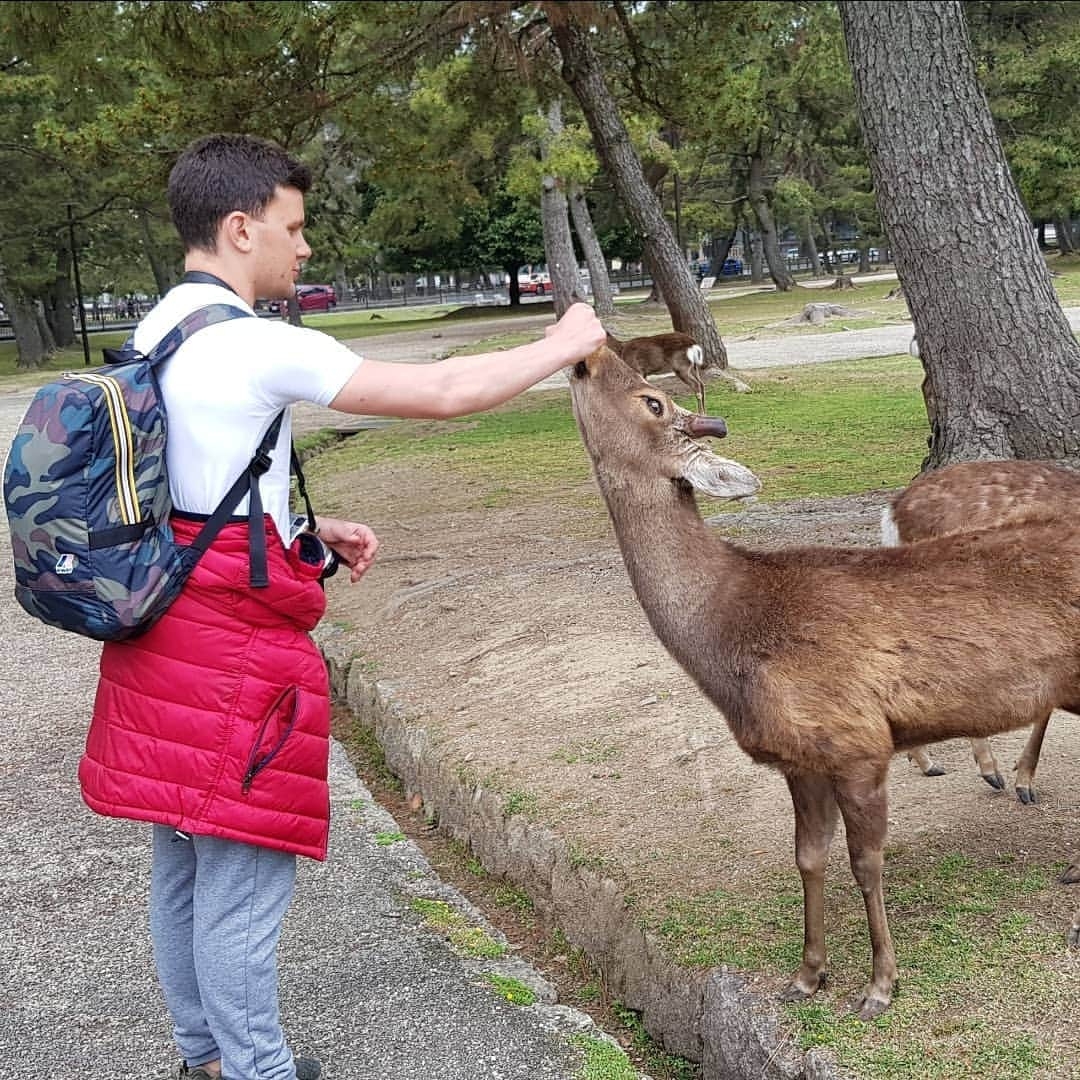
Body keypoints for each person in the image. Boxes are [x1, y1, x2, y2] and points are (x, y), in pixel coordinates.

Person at [78, 133, 605, 1080]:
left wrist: (309, 535)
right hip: (231, 652)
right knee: (240, 878)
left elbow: (193, 480)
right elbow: (441, 392)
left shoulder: (162, 328)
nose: (304, 248)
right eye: (294, 228)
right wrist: (563, 341)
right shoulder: (251, 344)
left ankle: (206, 1055)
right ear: (241, 229)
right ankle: (256, 1071)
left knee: (187, 863)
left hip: (164, 623)